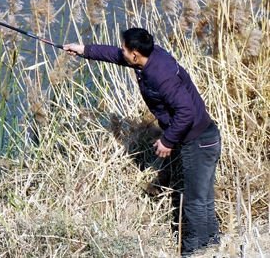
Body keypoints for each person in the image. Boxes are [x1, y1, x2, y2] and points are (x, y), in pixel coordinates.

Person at [63, 28, 221, 256]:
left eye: (125, 49)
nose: (122, 52)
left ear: (135, 54)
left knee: (195, 200)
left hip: (198, 141)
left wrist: (167, 140)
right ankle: (213, 245)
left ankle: (194, 251)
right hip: (201, 137)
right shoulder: (147, 58)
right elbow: (115, 55)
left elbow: (186, 111)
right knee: (202, 196)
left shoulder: (160, 74)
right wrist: (83, 50)